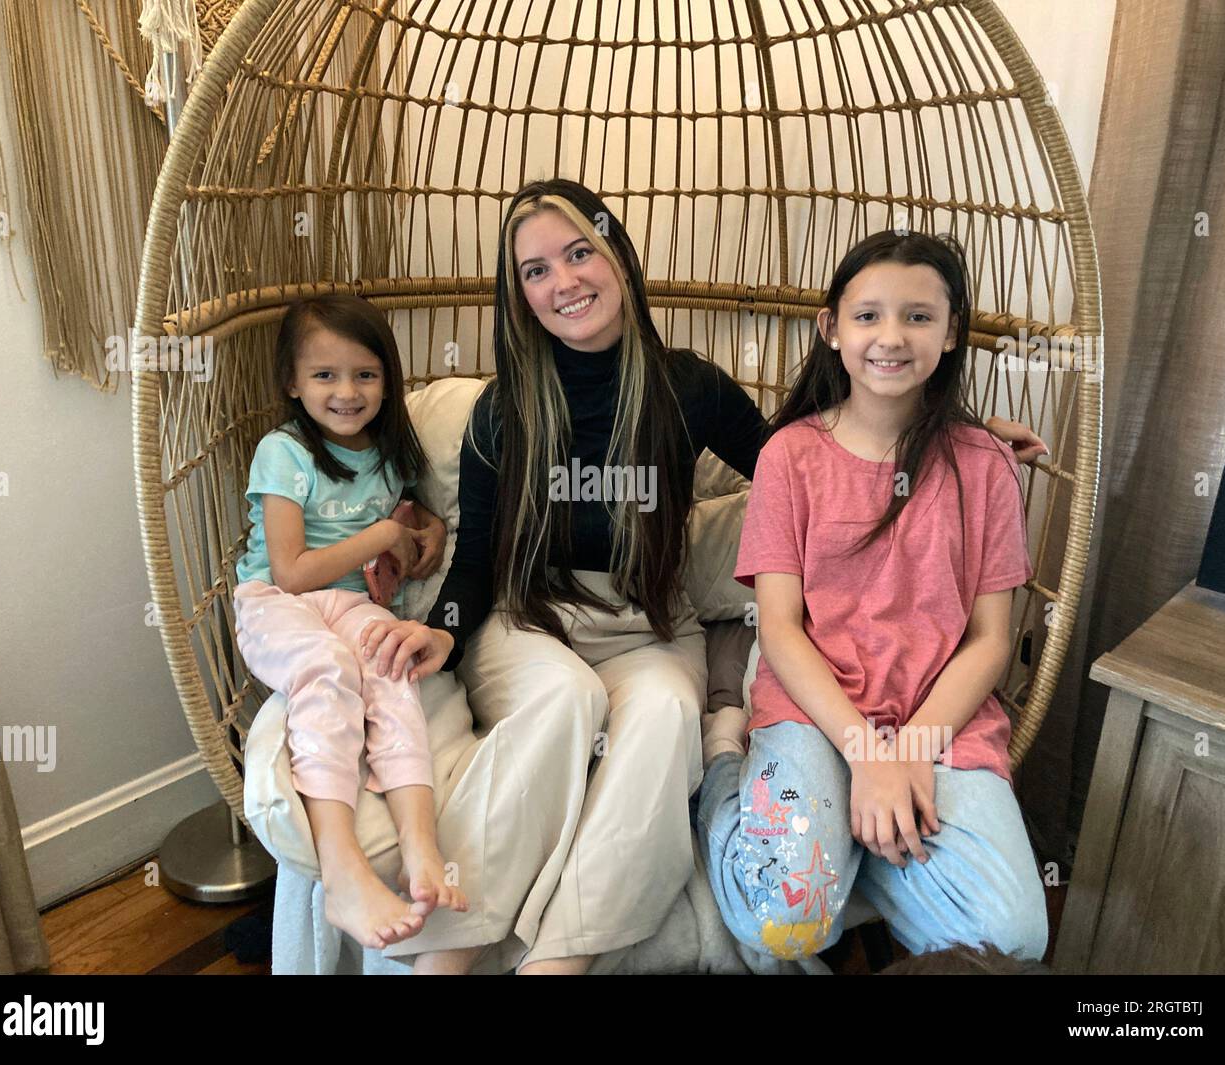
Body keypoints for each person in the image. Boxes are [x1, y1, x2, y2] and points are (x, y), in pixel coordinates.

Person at [363, 187, 1049, 975]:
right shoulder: (502, 409)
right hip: (533, 620)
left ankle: (563, 961)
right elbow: (477, 556)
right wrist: (444, 626)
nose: (565, 280)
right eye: (536, 269)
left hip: (648, 622)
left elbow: (809, 456)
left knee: (662, 713)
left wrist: (959, 435)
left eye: (581, 251)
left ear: (618, 255)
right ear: (517, 293)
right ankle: (452, 951)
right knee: (567, 699)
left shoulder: (687, 387)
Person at [697, 229, 1049, 964]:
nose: (891, 336)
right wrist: (866, 754)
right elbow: (783, 628)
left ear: (953, 332)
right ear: (831, 328)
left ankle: (857, 844)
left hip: (941, 719)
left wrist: (911, 751)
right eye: (868, 316)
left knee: (1012, 940)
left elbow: (989, 638)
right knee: (784, 926)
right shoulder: (789, 456)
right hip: (817, 709)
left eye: (919, 317)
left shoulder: (984, 465)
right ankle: (727, 771)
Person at [232, 294, 466, 952]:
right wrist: (384, 533)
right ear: (292, 382)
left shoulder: (390, 454)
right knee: (329, 669)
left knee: (390, 671)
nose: (346, 391)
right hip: (277, 603)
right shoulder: (283, 451)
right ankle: (341, 866)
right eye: (325, 375)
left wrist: (419, 540)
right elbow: (293, 570)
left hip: (352, 602)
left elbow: (406, 551)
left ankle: (420, 842)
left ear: (387, 379)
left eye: (365, 374)